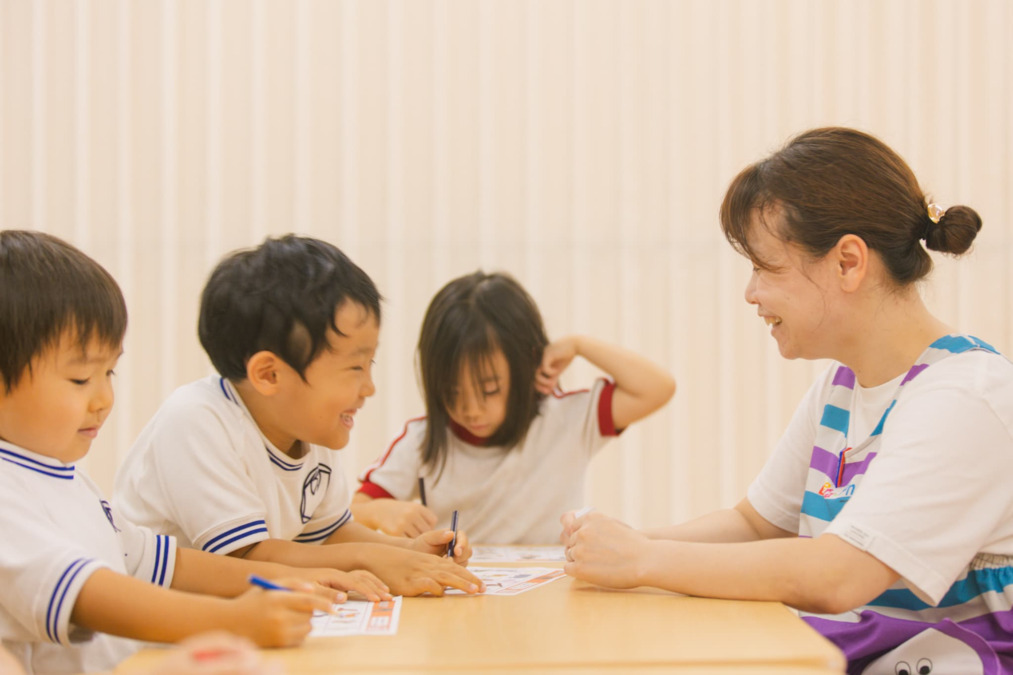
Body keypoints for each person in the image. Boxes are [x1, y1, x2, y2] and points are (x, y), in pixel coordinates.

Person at [561, 127, 1013, 673]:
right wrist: (624, 543)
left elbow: (837, 576)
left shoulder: (966, 397)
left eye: (763, 267)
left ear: (848, 262)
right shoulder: (842, 385)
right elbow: (755, 525)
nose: (751, 294)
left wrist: (644, 560)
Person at [0, 230, 369, 675]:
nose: (103, 399)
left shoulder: (64, 478)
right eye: (80, 379)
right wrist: (232, 620)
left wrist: (285, 579)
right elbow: (90, 594)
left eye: (109, 372)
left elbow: (161, 561)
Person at [114, 235, 483, 598]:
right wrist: (372, 559)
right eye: (355, 367)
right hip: (153, 640)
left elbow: (328, 533)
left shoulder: (308, 428)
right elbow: (249, 555)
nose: (369, 387)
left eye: (369, 364)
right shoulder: (196, 421)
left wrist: (408, 552)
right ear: (270, 375)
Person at [352, 271, 675, 544]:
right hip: (459, 597)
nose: (471, 410)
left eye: (489, 389)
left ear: (527, 364)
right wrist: (381, 511)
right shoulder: (421, 440)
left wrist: (579, 345)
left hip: (554, 593)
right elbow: (355, 509)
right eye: (451, 392)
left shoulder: (566, 419)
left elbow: (657, 388)